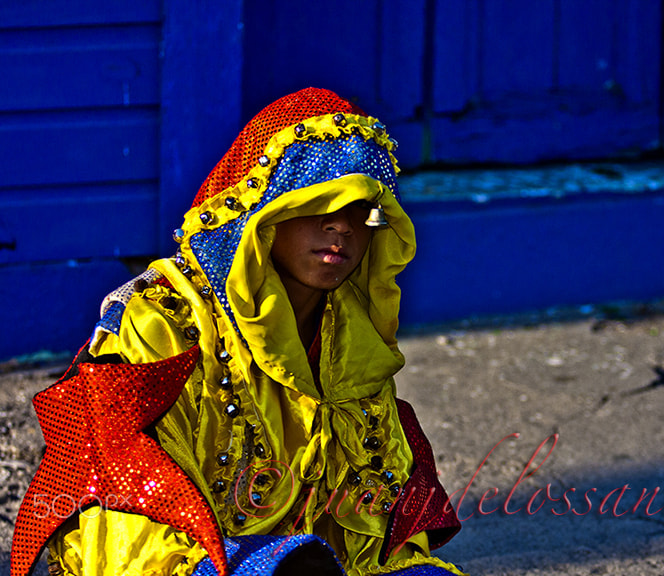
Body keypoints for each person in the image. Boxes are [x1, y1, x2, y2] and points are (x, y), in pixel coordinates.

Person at [11, 88, 464, 576]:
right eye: (318, 201)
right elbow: (123, 507)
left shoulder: (353, 341)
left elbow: (370, 528)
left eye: (363, 211)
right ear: (263, 216)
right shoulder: (162, 322)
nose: (343, 228)